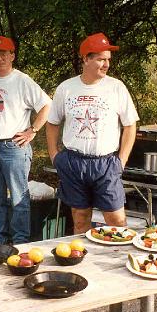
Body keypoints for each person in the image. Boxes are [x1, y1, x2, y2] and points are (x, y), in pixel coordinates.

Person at [46, 33, 139, 234]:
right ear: (86, 59)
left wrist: (121, 161)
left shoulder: (116, 87)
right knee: (80, 221)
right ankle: (83, 262)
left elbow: (130, 125)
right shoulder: (67, 88)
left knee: (117, 223)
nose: (106, 64)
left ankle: (117, 261)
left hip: (106, 164)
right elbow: (52, 122)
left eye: (108, 60)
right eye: (100, 59)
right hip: (73, 163)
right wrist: (54, 155)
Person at [0, 36, 51, 245]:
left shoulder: (22, 80)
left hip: (14, 147)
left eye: (4, 54)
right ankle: (0, 241)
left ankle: (20, 243)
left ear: (12, 56)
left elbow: (46, 105)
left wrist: (32, 130)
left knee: (18, 198)